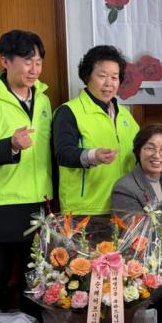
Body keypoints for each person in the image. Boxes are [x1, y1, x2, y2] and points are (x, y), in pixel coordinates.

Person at [0, 30, 52, 314]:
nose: (34, 69)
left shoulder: (44, 99)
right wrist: (11, 145)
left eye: (38, 62)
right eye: (27, 61)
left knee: (35, 281)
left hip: (37, 203)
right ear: (5, 61)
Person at [53, 45, 139, 216]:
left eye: (114, 77)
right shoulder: (69, 111)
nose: (109, 83)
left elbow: (138, 151)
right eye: (102, 76)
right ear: (87, 76)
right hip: (85, 210)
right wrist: (93, 156)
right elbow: (63, 154)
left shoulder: (125, 115)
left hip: (124, 207)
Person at [110, 123, 162, 226]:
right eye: (150, 148)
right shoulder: (124, 188)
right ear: (139, 151)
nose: (157, 155)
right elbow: (137, 230)